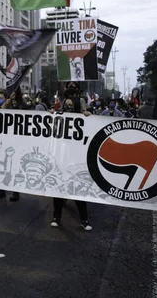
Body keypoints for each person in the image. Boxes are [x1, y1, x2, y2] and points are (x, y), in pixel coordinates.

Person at [50, 89, 92, 231]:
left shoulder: (82, 118)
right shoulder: (59, 117)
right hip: (62, 159)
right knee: (59, 188)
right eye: (66, 103)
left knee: (78, 189)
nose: (68, 105)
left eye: (70, 103)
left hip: (76, 160)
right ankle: (56, 217)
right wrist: (50, 116)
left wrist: (89, 117)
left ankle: (84, 220)